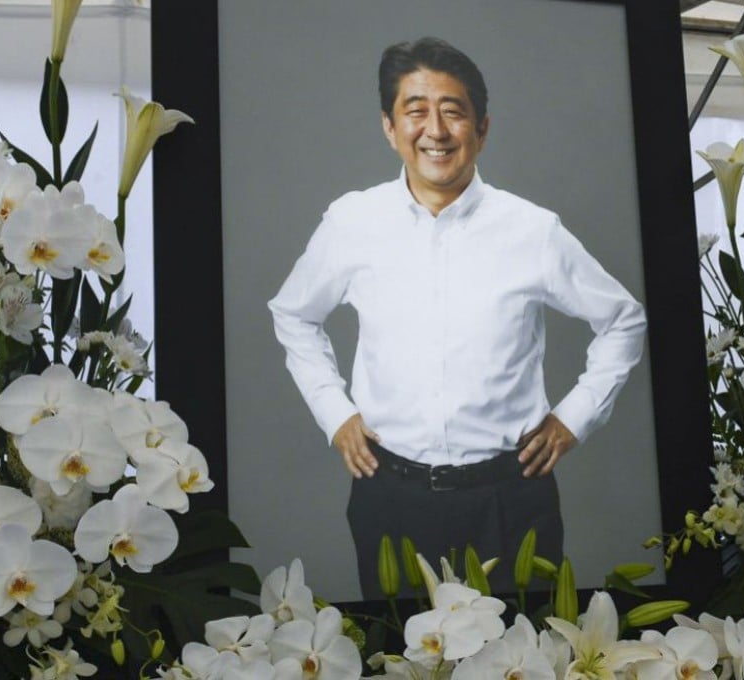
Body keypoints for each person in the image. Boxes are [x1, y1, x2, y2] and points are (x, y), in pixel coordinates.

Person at [268, 37, 646, 598]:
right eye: (416, 111)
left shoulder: (533, 230)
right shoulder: (352, 223)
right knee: (398, 642)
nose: (436, 131)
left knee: (526, 640)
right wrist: (335, 412)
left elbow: (623, 320)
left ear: (482, 128)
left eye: (453, 111)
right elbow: (294, 315)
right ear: (389, 127)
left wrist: (574, 418)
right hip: (389, 496)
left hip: (510, 498)